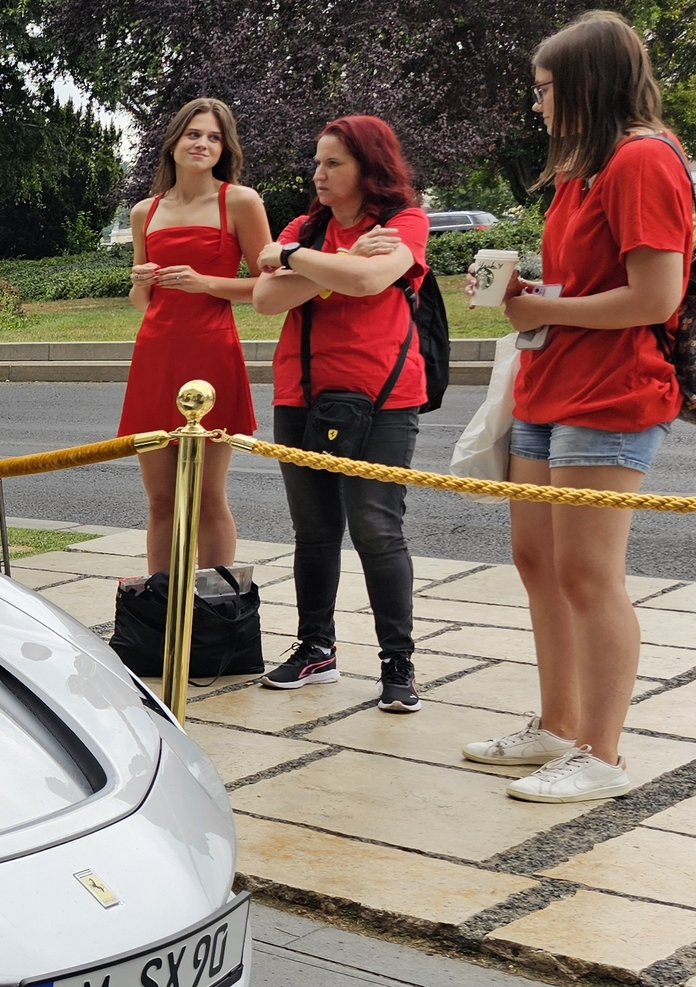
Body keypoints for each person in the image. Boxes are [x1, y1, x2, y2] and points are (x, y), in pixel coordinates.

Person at [463, 13, 691, 802]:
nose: (537, 105)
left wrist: (545, 313)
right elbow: (595, 283)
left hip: (613, 390)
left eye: (546, 89)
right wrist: (526, 293)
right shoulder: (583, 168)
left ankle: (604, 752)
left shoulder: (641, 162)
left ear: (586, 85)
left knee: (590, 574)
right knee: (539, 560)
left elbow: (656, 296)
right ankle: (558, 725)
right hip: (552, 384)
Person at [250, 116, 429, 713]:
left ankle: (398, 664)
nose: (318, 174)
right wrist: (335, 260)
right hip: (300, 392)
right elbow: (264, 298)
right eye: (318, 162)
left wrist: (298, 259)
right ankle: (315, 649)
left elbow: (373, 278)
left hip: (383, 398)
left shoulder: (404, 222)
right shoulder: (306, 226)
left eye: (334, 164)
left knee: (378, 529)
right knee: (315, 530)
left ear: (367, 169)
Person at [119, 98, 271, 578]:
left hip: (212, 354)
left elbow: (268, 286)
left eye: (213, 137)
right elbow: (142, 302)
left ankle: (217, 607)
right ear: (174, 142)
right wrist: (142, 280)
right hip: (155, 356)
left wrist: (207, 283)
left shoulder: (240, 201)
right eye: (193, 134)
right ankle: (159, 607)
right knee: (161, 501)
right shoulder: (146, 210)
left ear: (224, 148)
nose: (202, 144)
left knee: (207, 498)